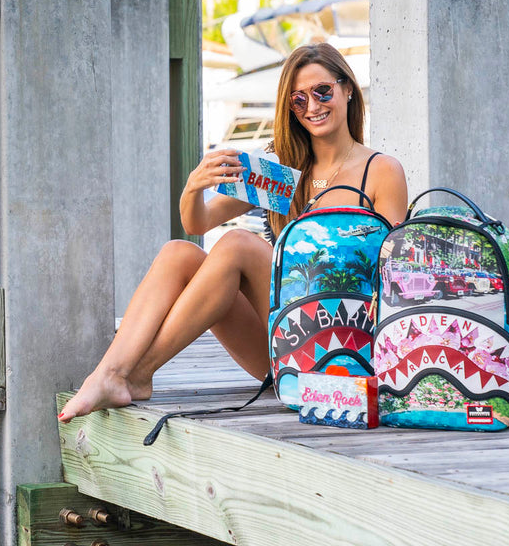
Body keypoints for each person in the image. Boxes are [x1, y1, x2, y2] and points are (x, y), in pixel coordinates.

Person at [58, 43, 407, 423]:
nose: (313, 107)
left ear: (348, 89)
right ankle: (116, 373)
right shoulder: (285, 173)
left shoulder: (382, 170)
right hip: (281, 346)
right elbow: (198, 224)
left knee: (239, 244)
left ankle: (132, 374)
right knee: (180, 253)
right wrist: (193, 187)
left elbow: (392, 277)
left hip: (344, 347)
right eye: (298, 100)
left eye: (322, 92)